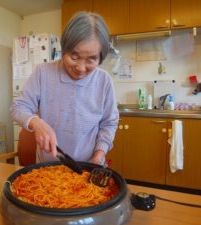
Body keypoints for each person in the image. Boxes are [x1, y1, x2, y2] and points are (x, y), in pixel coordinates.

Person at [10, 11, 119, 165]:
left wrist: (99, 153)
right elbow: (18, 108)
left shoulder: (104, 81)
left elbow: (109, 122)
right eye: (74, 57)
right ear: (64, 49)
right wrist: (36, 123)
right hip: (48, 168)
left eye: (91, 59)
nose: (81, 68)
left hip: (88, 167)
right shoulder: (43, 72)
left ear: (100, 57)